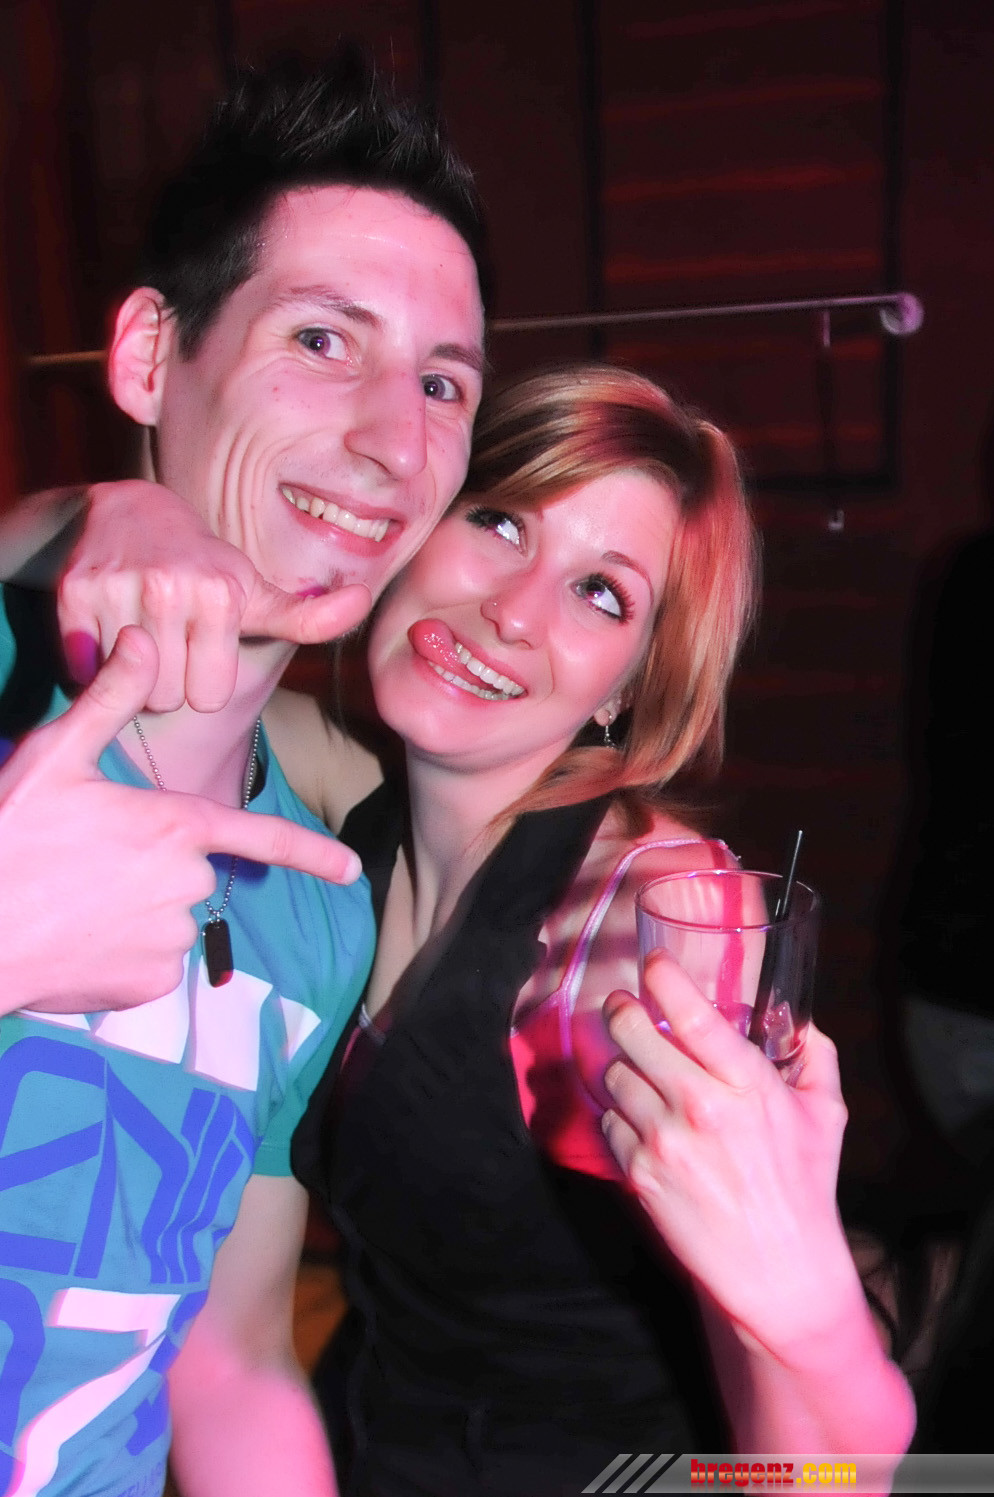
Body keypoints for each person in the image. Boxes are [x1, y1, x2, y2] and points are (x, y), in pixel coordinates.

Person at [271, 367, 914, 1491]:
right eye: (500, 521)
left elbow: (828, 1464)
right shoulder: (359, 802)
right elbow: (150, 650)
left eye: (601, 594)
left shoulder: (647, 922)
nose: (513, 612)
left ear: (625, 687)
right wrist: (127, 521)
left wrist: (819, 1323)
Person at [0, 48, 487, 1497]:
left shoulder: (316, 906)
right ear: (153, 359)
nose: (394, 442)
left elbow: (229, 1354)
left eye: (444, 383)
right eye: (322, 339)